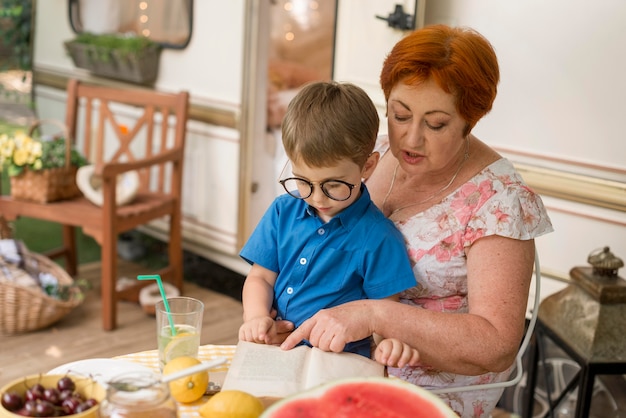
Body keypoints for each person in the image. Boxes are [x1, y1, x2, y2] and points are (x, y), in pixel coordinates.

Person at [279, 25, 554, 417]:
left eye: (436, 123)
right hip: (336, 361)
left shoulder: (498, 201)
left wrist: (374, 314)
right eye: (400, 114)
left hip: (426, 391)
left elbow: (496, 345)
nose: (410, 138)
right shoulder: (372, 152)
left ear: (469, 120)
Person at [239, 81, 419, 367]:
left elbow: (385, 315)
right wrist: (256, 317)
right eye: (303, 182)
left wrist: (390, 347)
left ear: (368, 166)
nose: (317, 197)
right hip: (274, 353)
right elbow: (260, 278)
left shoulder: (380, 239)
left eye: (333, 184)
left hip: (337, 362)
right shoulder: (282, 211)